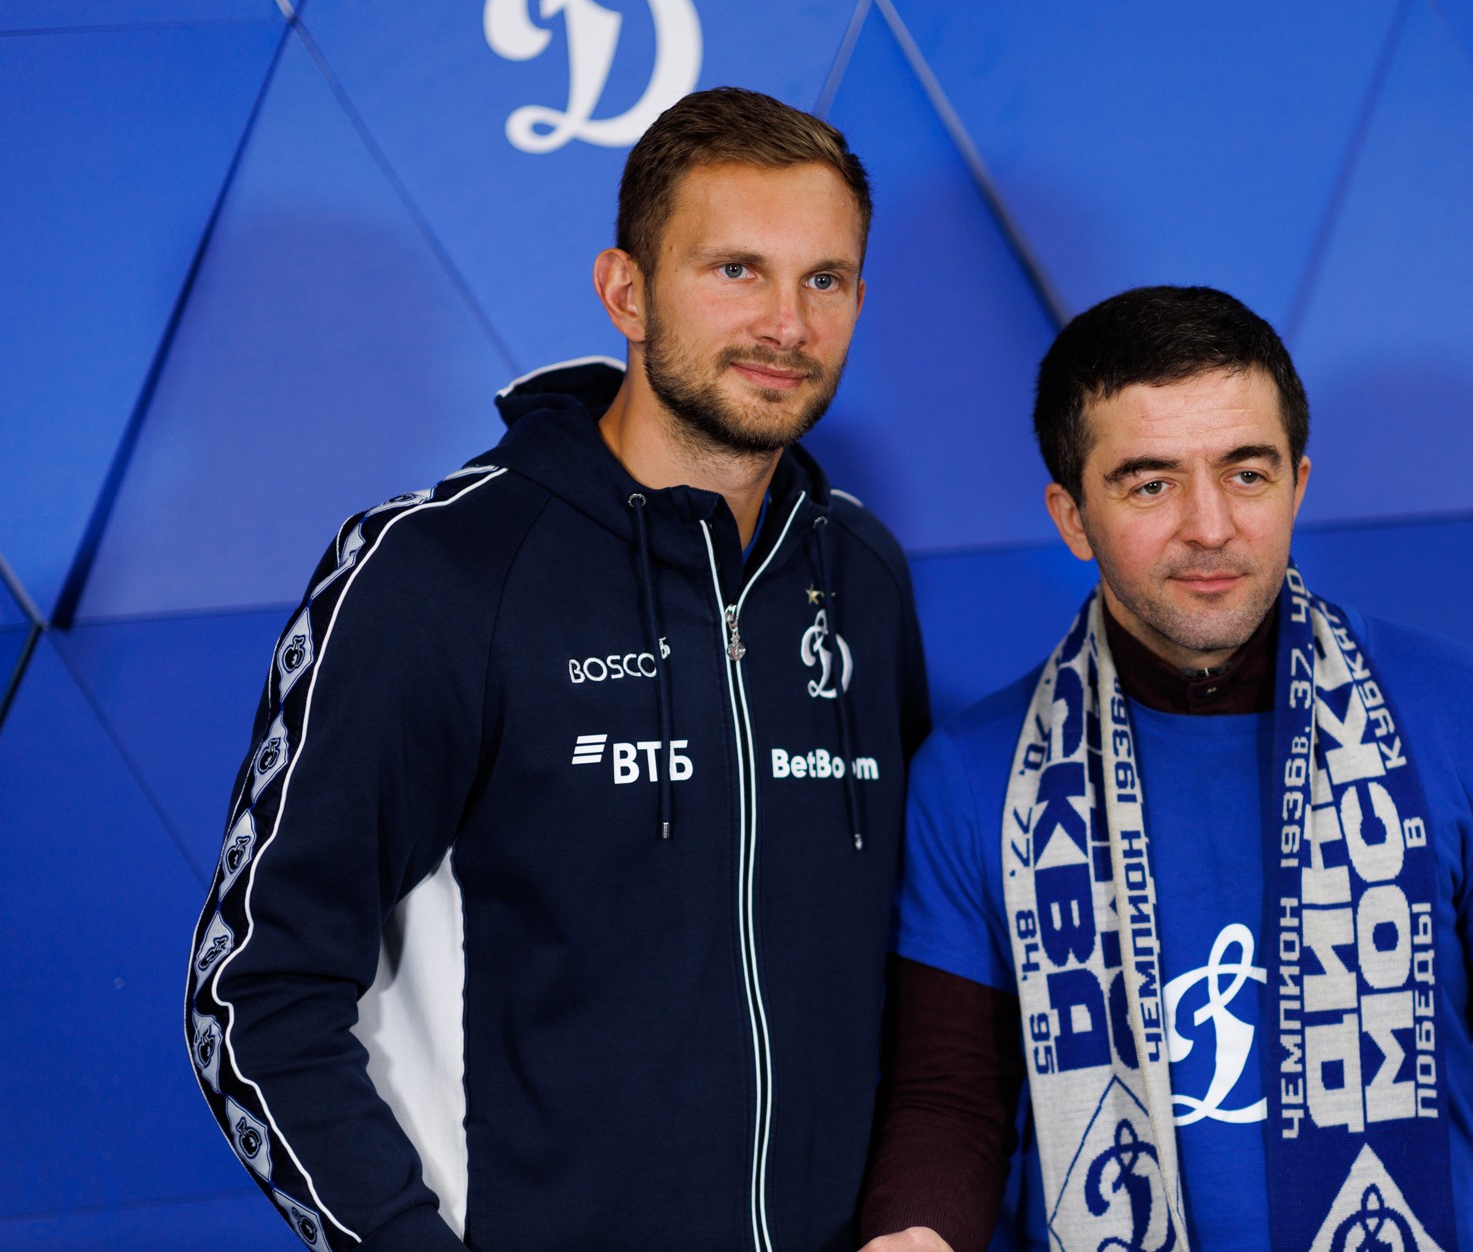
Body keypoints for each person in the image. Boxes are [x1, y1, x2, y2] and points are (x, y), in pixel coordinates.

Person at [184, 87, 929, 1251]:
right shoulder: (440, 571)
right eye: (736, 270)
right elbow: (252, 994)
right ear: (625, 291)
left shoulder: (861, 574)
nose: (787, 323)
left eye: (823, 279)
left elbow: (916, 962)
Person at [858, 286, 1473, 1251]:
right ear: (1073, 516)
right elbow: (951, 1098)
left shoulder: (1463, 713)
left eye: (1246, 473)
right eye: (1150, 483)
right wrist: (914, 1231)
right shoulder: (973, 772)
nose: (1210, 526)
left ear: (1297, 484)